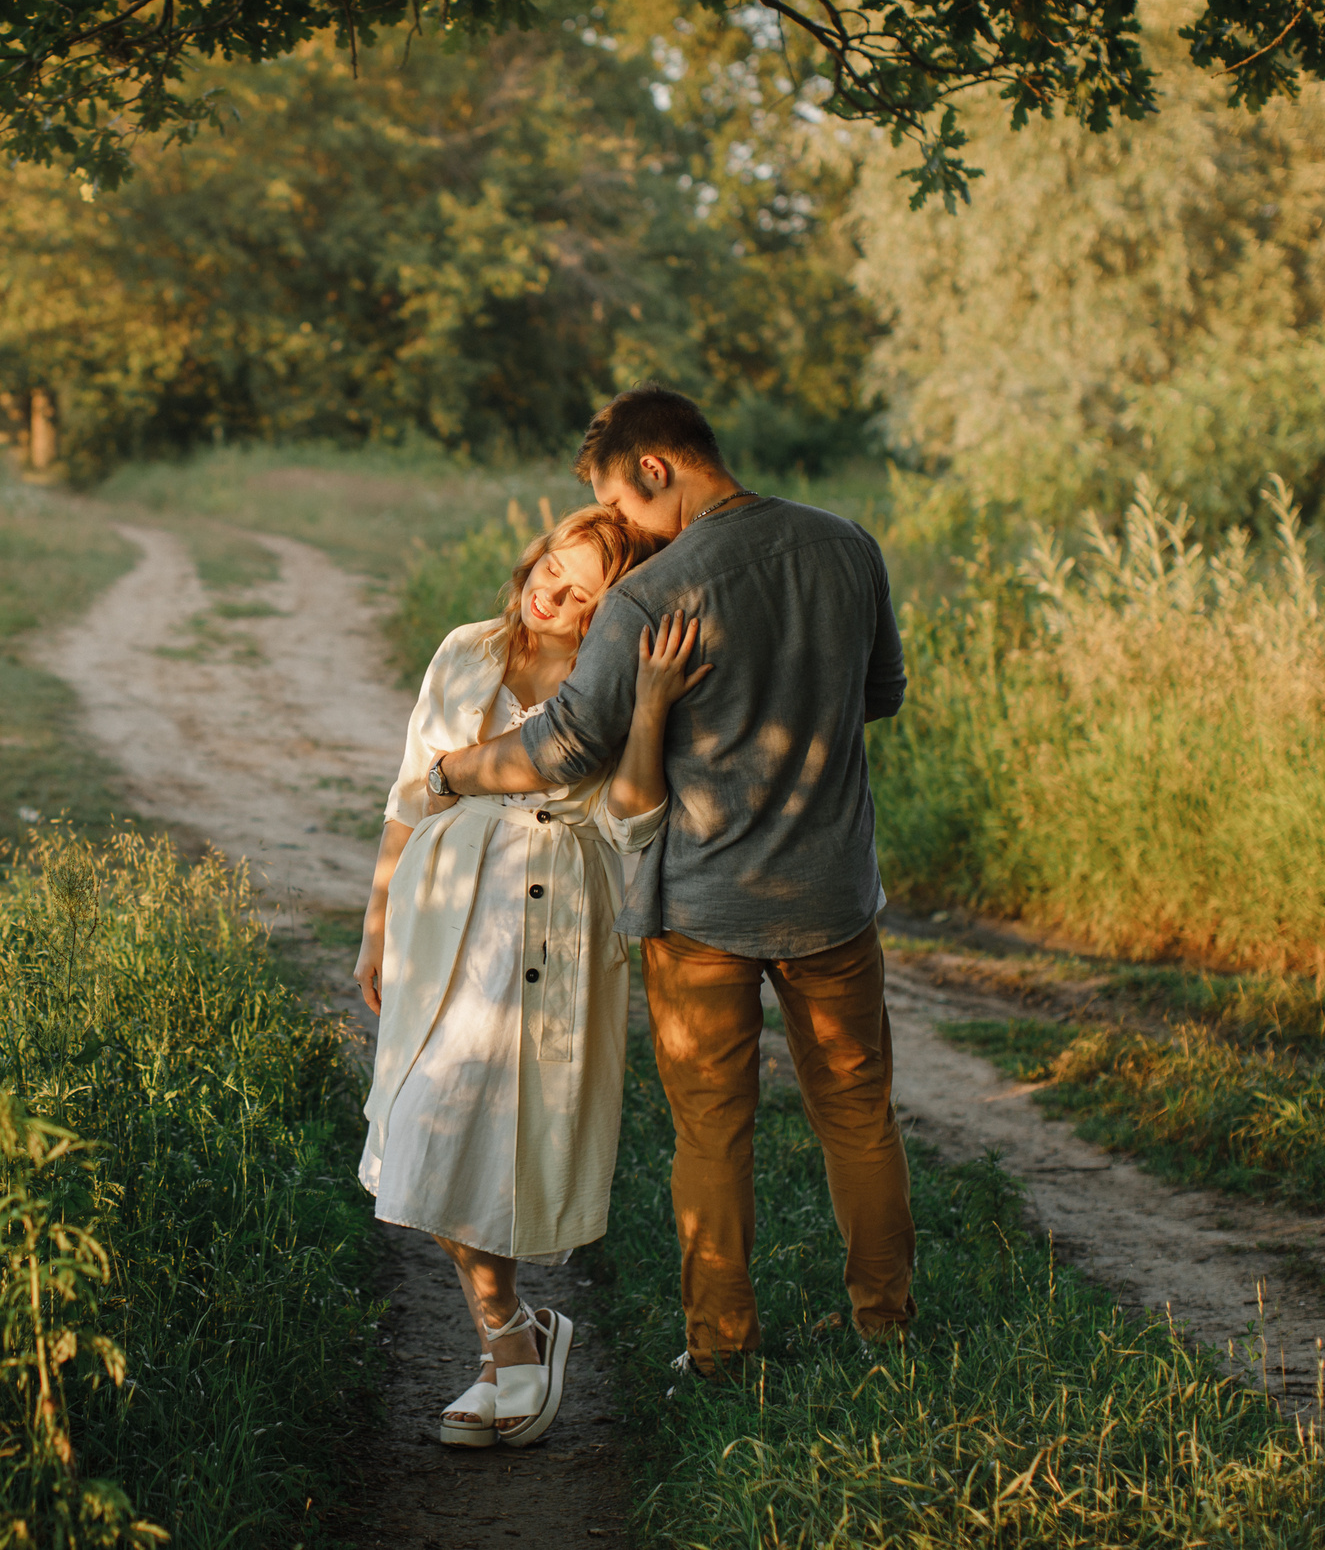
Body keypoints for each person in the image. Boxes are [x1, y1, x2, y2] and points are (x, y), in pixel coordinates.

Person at [425, 384, 914, 1386]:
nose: (623, 524)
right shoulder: (847, 545)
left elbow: (561, 747)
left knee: (712, 1131)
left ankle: (722, 1350)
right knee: (860, 1114)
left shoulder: (658, 593)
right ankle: (887, 1325)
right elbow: (879, 698)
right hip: (830, 895)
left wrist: (449, 769)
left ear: (655, 468)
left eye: (620, 498)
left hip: (701, 908)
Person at [356, 504, 705, 1447]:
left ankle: (505, 1349)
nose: (549, 590)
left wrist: (656, 706)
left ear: (610, 611)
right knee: (425, 1125)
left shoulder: (618, 678)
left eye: (582, 590)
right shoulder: (468, 647)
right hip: (441, 915)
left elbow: (633, 820)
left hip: (555, 917)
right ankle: (514, 1329)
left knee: (504, 1137)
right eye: (552, 565)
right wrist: (377, 920)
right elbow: (408, 790)